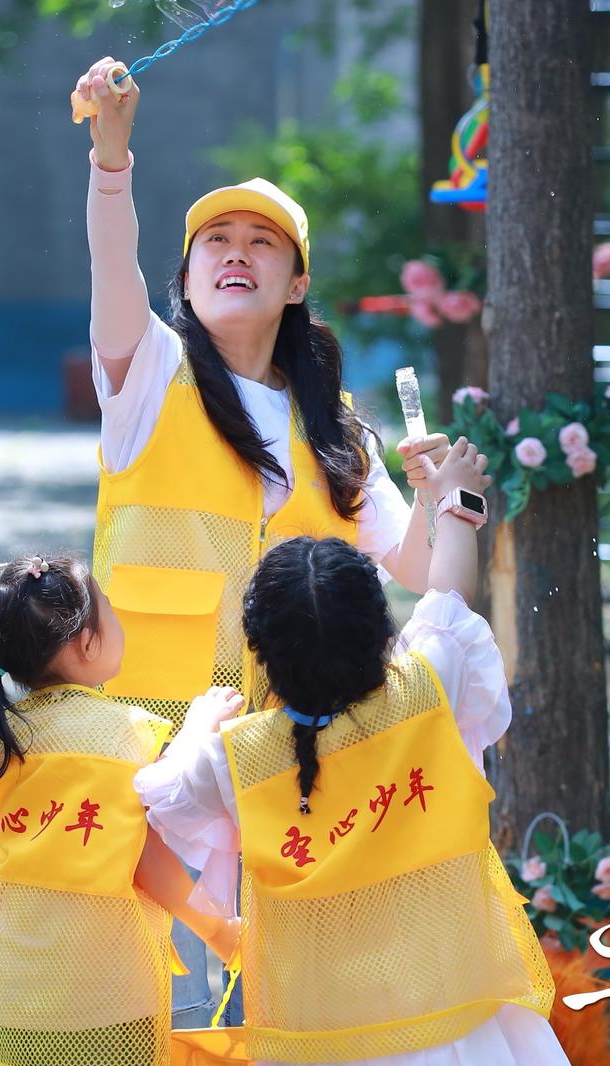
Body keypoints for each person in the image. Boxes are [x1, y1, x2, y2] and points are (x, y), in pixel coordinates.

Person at [135, 439, 578, 1066]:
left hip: (319, 1041)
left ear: (259, 650)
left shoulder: (237, 760)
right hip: (453, 1012)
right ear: (381, 630)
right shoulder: (424, 690)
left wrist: (200, 725)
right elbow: (450, 595)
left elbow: (159, 793)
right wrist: (455, 501)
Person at [77, 56, 450, 731]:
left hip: (291, 749)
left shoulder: (338, 432)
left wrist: (434, 493)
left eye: (262, 242)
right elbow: (111, 262)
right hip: (155, 739)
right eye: (216, 241)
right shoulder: (149, 374)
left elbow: (418, 569)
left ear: (298, 286)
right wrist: (111, 159)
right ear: (187, 280)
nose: (236, 254)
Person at [0, 553, 241, 1066]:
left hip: (20, 994)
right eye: (108, 609)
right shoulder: (126, 734)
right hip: (107, 993)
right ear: (87, 643)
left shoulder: (5, 737)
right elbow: (147, 863)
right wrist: (221, 933)